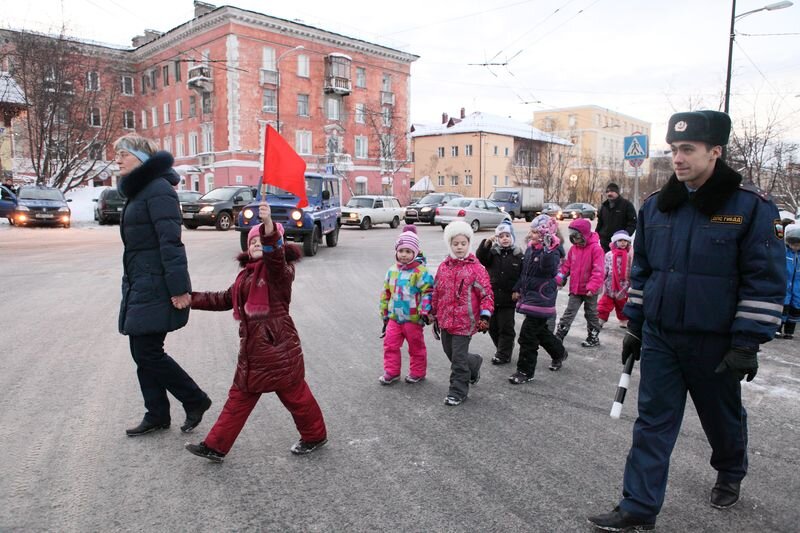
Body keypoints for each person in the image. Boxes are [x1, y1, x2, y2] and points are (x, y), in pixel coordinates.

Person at [588, 110, 786, 531]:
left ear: (715, 151)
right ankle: (638, 507)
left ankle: (730, 470)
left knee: (721, 417)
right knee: (653, 422)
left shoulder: (749, 207)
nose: (677, 158)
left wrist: (746, 343)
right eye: (674, 149)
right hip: (662, 336)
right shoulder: (659, 206)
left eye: (688, 149)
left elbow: (764, 280)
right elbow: (643, 271)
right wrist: (636, 324)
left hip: (716, 342)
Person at [185, 202, 327, 462]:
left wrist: (269, 227)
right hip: (252, 351)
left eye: (262, 242)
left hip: (278, 349)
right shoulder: (245, 277)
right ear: (247, 249)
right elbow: (222, 299)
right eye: (253, 243)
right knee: (239, 398)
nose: (257, 245)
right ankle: (215, 445)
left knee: (296, 397)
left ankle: (315, 436)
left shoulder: (280, 273)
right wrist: (190, 299)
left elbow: (275, 256)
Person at [115, 133, 212, 437]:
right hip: (140, 279)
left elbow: (171, 242)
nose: (117, 160)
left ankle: (195, 399)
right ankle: (156, 413)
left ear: (141, 159)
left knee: (148, 351)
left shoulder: (158, 190)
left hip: (156, 281)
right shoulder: (140, 190)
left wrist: (178, 288)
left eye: (123, 154)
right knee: (141, 349)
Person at [431, 220, 494, 406]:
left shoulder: (476, 269)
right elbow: (436, 291)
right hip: (445, 320)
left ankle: (458, 391)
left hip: (465, 322)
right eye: (455, 243)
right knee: (450, 353)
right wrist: (432, 312)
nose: (459, 247)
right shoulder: (444, 267)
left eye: (463, 243)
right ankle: (474, 363)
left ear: (469, 244)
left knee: (458, 360)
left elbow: (486, 294)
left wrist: (485, 315)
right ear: (449, 244)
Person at [509, 215, 568, 383]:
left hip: (542, 298)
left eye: (536, 232)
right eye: (532, 231)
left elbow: (548, 268)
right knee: (540, 331)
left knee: (527, 335)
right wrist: (518, 288)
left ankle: (525, 371)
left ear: (545, 235)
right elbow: (525, 272)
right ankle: (559, 352)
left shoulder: (552, 250)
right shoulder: (531, 248)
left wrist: (548, 250)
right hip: (531, 297)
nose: (532, 234)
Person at [378, 225, 435, 384]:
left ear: (415, 253)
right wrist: (384, 313)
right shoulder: (391, 271)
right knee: (390, 345)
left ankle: (418, 372)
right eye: (401, 251)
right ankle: (391, 371)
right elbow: (385, 293)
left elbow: (428, 291)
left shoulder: (421, 272)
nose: (404, 255)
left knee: (416, 347)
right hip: (394, 318)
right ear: (396, 251)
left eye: (408, 252)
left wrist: (425, 311)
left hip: (413, 318)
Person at [476, 221, 523, 365]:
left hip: (509, 299)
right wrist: (486, 243)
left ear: (512, 237)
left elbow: (523, 275)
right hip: (492, 297)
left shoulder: (518, 255)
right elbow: (480, 257)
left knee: (506, 327)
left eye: (507, 235)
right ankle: (501, 348)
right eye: (501, 236)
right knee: (493, 327)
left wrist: (517, 289)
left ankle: (504, 354)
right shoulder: (492, 253)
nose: (504, 239)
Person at [554, 218, 605, 347]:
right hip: (576, 288)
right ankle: (559, 335)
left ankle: (593, 336)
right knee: (569, 311)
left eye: (577, 237)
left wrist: (592, 287)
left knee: (591, 313)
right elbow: (566, 266)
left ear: (583, 235)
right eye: (573, 237)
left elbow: (598, 270)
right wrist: (560, 278)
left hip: (590, 291)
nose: (575, 240)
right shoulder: (573, 249)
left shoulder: (596, 249)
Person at [597, 230, 633, 328]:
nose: (623, 243)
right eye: (620, 240)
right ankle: (600, 319)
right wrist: (601, 280)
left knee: (622, 305)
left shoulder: (630, 255)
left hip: (623, 286)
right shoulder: (609, 255)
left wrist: (631, 283)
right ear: (615, 242)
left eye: (625, 241)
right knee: (604, 304)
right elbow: (605, 268)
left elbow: (631, 269)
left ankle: (624, 320)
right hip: (609, 285)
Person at [596, 182, 637, 252]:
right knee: (606, 262)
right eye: (607, 192)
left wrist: (624, 236)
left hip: (620, 243)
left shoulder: (626, 205)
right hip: (605, 243)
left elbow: (632, 222)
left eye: (612, 191)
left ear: (617, 193)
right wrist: (596, 235)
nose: (609, 194)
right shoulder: (604, 206)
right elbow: (600, 223)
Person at [777, 223, 800, 340]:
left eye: (798, 245)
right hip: (785, 285)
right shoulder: (784, 253)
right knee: (782, 307)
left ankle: (789, 331)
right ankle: (777, 328)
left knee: (795, 309)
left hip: (797, 287)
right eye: (793, 244)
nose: (795, 247)